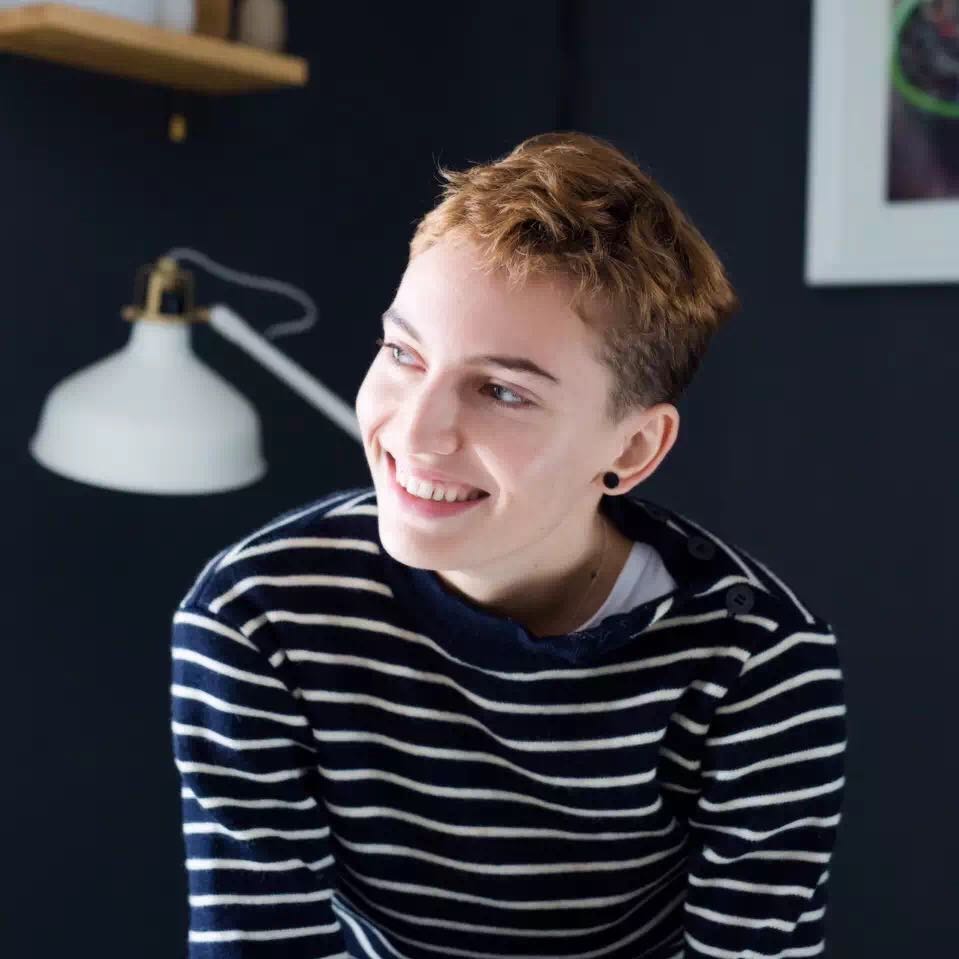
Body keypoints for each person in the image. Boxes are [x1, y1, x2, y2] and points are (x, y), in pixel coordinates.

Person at [170, 132, 847, 959]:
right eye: (401, 353)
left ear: (633, 447)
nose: (415, 431)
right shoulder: (257, 616)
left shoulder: (755, 660)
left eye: (500, 390)